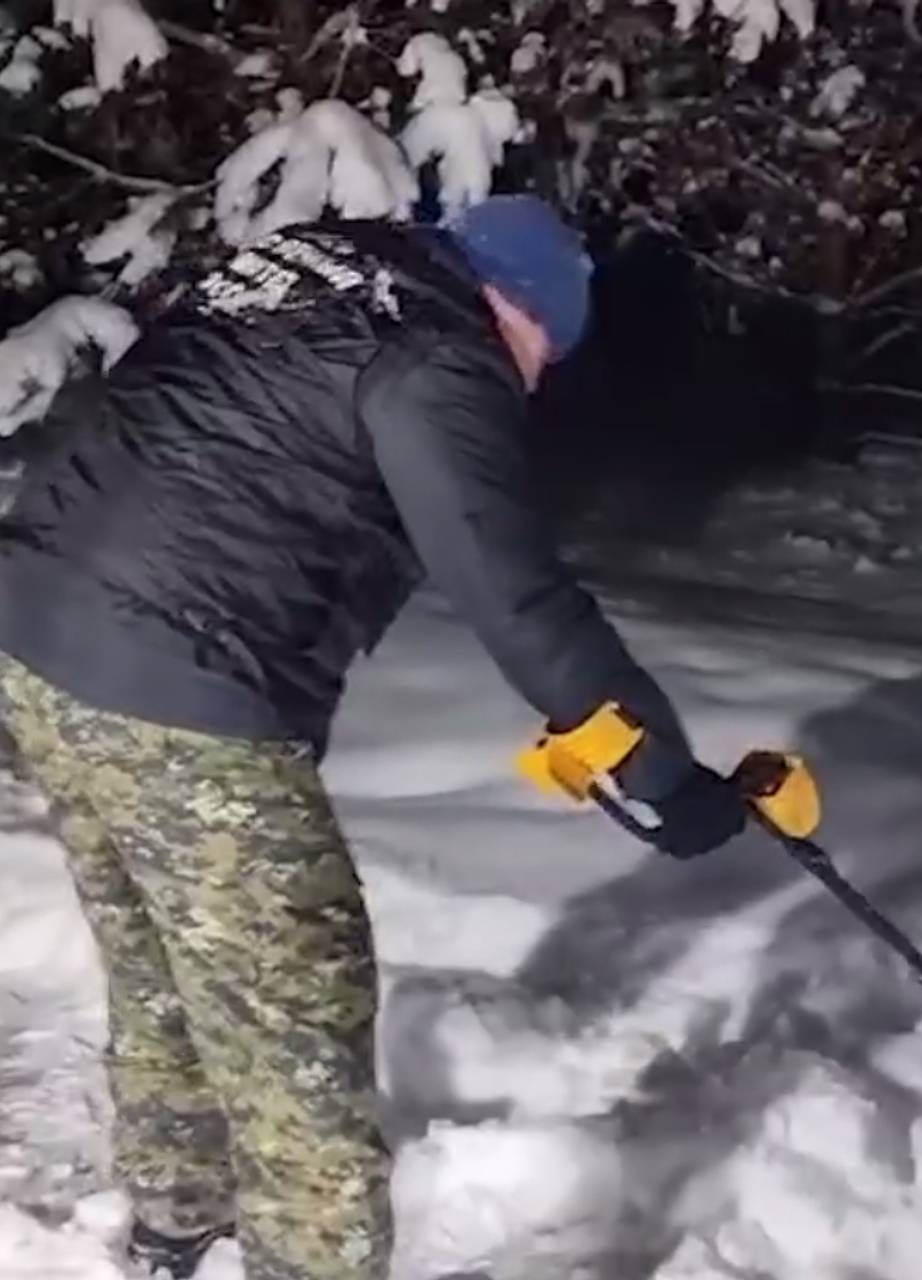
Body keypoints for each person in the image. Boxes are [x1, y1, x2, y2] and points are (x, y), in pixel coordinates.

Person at [0, 195, 745, 1280]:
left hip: (35, 637)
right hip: (182, 683)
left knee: (161, 952)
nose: (532, 380)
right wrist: (661, 773)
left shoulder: (316, 262)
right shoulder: (436, 357)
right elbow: (512, 589)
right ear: (517, 309)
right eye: (539, 350)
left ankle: (173, 1214)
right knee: (298, 1014)